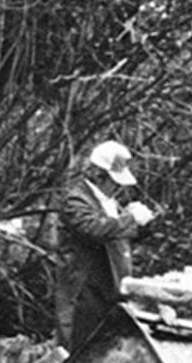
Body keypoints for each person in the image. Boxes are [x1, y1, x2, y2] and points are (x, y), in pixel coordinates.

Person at [53, 140, 154, 352]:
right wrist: (130, 219)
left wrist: (144, 224)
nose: (117, 187)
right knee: (77, 353)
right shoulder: (76, 200)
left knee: (102, 356)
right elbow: (95, 230)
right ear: (98, 175)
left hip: (107, 292)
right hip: (83, 295)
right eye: (114, 181)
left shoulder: (107, 201)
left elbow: (118, 235)